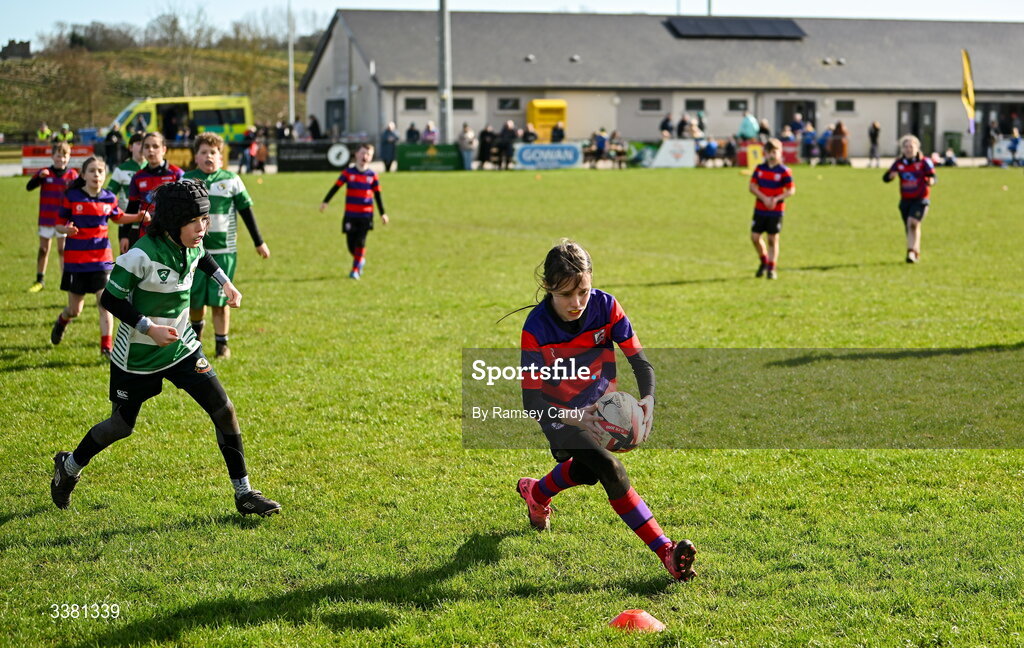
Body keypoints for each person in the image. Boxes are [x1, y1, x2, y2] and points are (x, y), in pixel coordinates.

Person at [49, 179, 281, 518]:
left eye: (206, 219)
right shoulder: (140, 256)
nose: (204, 227)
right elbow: (111, 299)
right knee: (120, 426)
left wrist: (226, 284)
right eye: (195, 221)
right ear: (173, 223)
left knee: (224, 409)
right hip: (138, 356)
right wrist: (148, 327)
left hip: (182, 346)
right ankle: (68, 468)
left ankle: (244, 494)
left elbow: (204, 257)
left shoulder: (191, 243)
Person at [515, 239, 697, 582]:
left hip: (599, 403)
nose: (576, 303)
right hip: (558, 411)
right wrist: (574, 416)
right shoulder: (535, 328)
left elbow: (641, 364)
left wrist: (649, 401)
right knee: (610, 468)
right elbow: (532, 400)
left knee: (585, 471)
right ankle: (667, 552)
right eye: (566, 294)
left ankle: (535, 492)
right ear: (548, 288)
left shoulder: (607, 307)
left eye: (582, 290)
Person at [184, 133, 269, 359]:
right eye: (203, 152)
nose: (208, 156)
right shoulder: (186, 180)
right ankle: (196, 341)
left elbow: (246, 211)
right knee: (195, 299)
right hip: (194, 252)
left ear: (220, 157)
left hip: (224, 252)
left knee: (221, 301)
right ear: (196, 157)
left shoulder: (231, 180)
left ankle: (222, 345)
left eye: (213, 152)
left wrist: (258, 241)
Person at [50, 157, 144, 357]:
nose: (96, 175)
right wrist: (66, 230)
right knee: (75, 310)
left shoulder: (109, 198)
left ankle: (106, 347)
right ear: (83, 175)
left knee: (105, 303)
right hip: (76, 263)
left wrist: (137, 217)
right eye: (92, 171)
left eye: (100, 171)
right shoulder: (73, 196)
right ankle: (62, 320)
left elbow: (118, 217)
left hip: (101, 260)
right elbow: (57, 224)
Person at [318, 144, 389, 280]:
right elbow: (336, 187)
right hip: (350, 214)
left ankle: (355, 270)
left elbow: (378, 196)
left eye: (368, 154)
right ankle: (360, 259)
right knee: (351, 245)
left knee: (360, 242)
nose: (365, 156)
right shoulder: (348, 173)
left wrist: (382, 213)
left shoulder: (373, 176)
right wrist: (325, 201)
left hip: (366, 215)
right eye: (363, 153)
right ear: (356, 154)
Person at [26, 142, 78, 292]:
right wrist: (38, 178)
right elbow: (29, 187)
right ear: (52, 156)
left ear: (69, 157)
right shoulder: (45, 172)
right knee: (43, 249)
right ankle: (39, 280)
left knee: (62, 250)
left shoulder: (72, 175)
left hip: (63, 220)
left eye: (64, 156)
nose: (61, 159)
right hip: (46, 219)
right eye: (58, 155)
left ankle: (65, 280)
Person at [124, 132, 184, 250]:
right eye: (146, 147)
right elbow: (132, 208)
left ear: (164, 149)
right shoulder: (138, 177)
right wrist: (124, 235)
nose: (151, 150)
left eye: (155, 146)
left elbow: (184, 207)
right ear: (143, 150)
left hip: (171, 235)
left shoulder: (177, 174)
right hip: (146, 234)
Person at [883, 134, 935, 264]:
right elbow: (885, 178)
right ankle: (915, 251)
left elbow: (933, 177)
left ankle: (911, 252)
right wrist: (891, 176)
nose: (908, 149)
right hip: (905, 200)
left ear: (917, 148)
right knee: (910, 227)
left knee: (913, 223)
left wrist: (931, 181)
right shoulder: (899, 163)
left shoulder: (924, 162)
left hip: (921, 199)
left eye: (911, 146)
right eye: (905, 147)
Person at [749, 138, 796, 280]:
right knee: (755, 237)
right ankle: (763, 260)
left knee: (772, 238)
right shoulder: (759, 169)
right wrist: (764, 198)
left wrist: (776, 199)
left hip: (776, 210)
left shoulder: (784, 171)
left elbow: (791, 190)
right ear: (766, 153)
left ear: (780, 153)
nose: (772, 155)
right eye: (769, 152)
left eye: (775, 152)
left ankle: (771, 268)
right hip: (760, 209)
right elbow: (752, 187)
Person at [107, 133, 146, 252]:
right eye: (139, 143)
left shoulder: (152, 169)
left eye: (144, 144)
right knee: (127, 266)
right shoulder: (121, 169)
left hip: (148, 226)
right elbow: (108, 196)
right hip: (127, 226)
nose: (142, 147)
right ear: (130, 147)